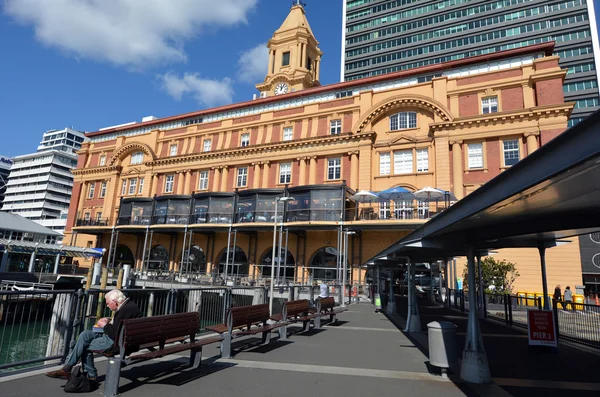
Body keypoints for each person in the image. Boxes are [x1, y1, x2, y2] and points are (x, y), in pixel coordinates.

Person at [45, 289, 141, 382]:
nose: (107, 306)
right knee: (85, 334)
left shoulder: (123, 311)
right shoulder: (131, 305)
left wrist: (104, 325)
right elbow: (119, 327)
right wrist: (109, 322)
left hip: (117, 344)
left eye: (108, 303)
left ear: (115, 301)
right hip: (127, 340)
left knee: (84, 345)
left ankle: (84, 373)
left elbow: (113, 334)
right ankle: (68, 369)